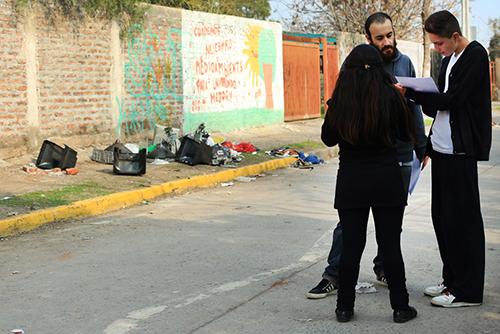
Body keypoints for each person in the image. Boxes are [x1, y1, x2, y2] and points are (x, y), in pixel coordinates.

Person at [306, 12, 426, 300]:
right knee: (361, 233)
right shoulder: (368, 79)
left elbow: (412, 113)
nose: (387, 42)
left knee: (377, 234)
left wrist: (420, 148)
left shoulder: (401, 64)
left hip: (376, 167)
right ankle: (390, 300)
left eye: (390, 35)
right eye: (380, 38)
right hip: (377, 170)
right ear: (369, 40)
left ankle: (356, 295)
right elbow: (400, 125)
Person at [396, 10, 491, 308]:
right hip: (443, 151)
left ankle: (468, 290)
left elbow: (452, 100)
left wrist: (413, 92)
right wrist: (419, 98)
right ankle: (452, 279)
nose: (436, 49)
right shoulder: (447, 60)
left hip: (461, 152)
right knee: (444, 219)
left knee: (464, 223)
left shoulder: (475, 55)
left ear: (454, 36)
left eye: (438, 44)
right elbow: (437, 107)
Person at [321, 44, 418, 323]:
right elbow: (404, 135)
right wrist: (401, 101)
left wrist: (333, 107)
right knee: (390, 245)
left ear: (348, 72)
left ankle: (344, 308)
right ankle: (400, 307)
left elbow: (328, 138)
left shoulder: (341, 100)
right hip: (386, 178)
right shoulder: (391, 97)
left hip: (352, 180)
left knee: (352, 245)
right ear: (379, 70)